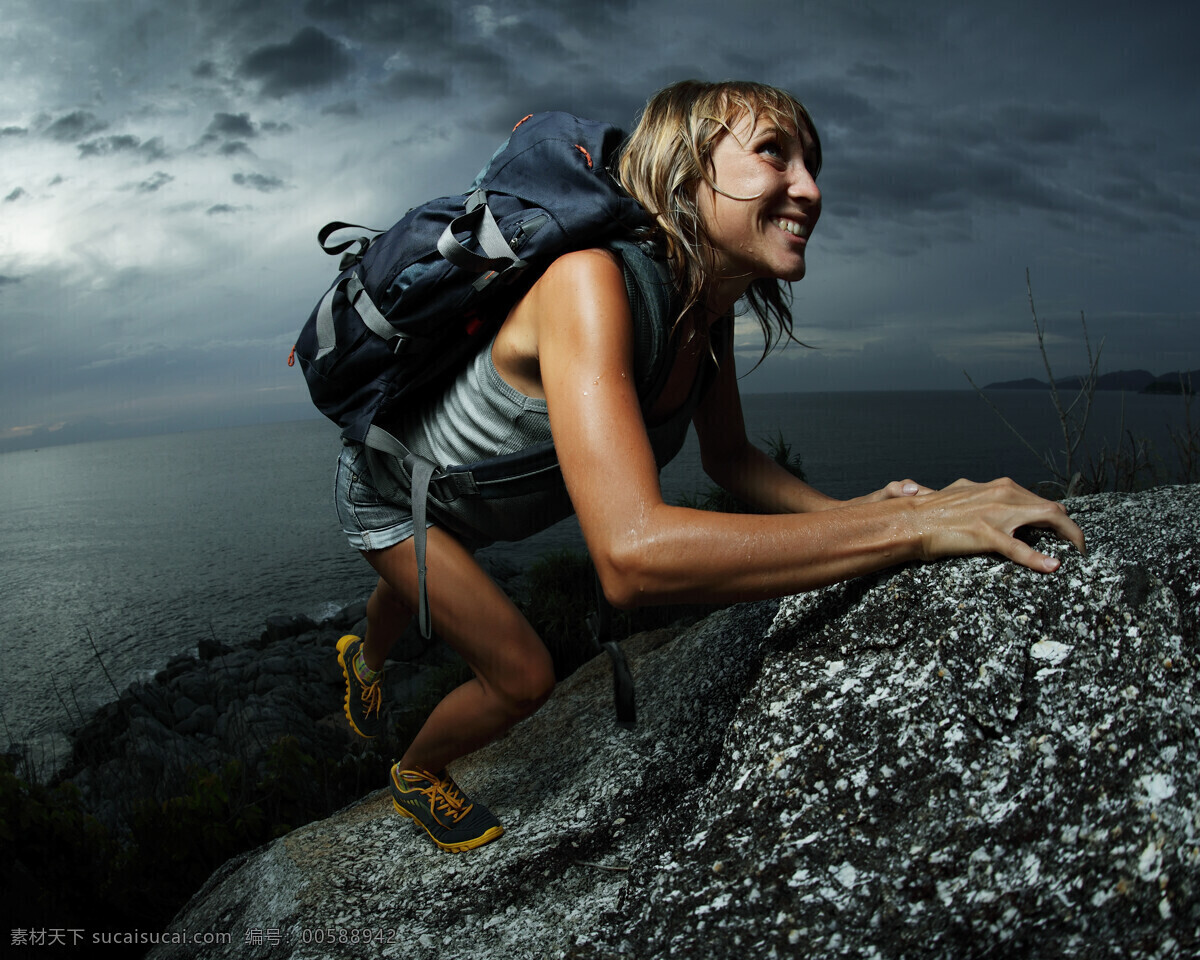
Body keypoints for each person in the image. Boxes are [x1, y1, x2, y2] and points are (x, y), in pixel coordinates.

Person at [331, 79, 1085, 853]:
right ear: (689, 171)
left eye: (811, 163)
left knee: (411, 587)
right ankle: (416, 770)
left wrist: (853, 509)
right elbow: (631, 557)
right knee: (522, 676)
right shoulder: (589, 284)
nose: (812, 189)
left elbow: (730, 460)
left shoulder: (705, 317)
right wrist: (912, 526)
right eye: (773, 154)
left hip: (464, 504)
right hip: (393, 496)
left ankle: (365, 650)